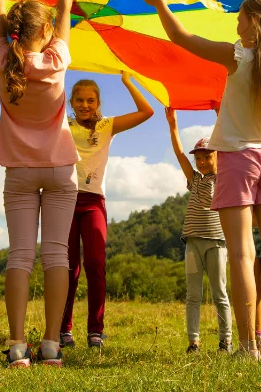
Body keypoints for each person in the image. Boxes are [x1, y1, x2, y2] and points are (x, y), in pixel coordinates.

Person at [143, 0, 261, 362]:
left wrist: (160, 4)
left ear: (257, 23)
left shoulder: (239, 56)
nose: (237, 21)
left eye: (242, 16)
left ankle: (249, 347)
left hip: (237, 157)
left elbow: (181, 36)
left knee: (240, 254)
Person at [0, 0, 89, 368]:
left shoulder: (1, 58)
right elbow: (66, 11)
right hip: (60, 169)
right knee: (57, 256)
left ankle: (15, 346)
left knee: (20, 256)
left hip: (19, 172)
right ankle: (50, 345)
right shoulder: (57, 60)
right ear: (45, 33)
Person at [60, 74, 153, 349]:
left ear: (98, 102)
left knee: (96, 265)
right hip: (64, 200)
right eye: (79, 99)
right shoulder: (63, 124)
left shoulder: (107, 125)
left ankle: (95, 331)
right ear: (71, 102)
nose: (85, 104)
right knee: (68, 268)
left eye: (91, 100)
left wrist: (128, 81)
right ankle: (64, 329)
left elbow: (146, 111)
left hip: (93, 203)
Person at [166, 109, 232, 354]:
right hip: (192, 244)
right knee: (193, 295)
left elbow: (229, 143)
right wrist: (173, 125)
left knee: (219, 294)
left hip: (216, 243)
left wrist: (221, 116)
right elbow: (180, 154)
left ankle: (225, 341)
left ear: (217, 156)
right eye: (200, 158)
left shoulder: (223, 177)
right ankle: (193, 342)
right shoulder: (194, 179)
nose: (203, 161)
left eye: (208, 156)